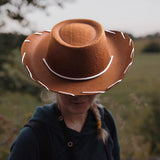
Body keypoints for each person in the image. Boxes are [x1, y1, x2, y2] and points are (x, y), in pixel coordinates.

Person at [8, 19, 134, 160]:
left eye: (87, 88)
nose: (79, 96)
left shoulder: (106, 121)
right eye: (70, 88)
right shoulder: (33, 138)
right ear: (54, 86)